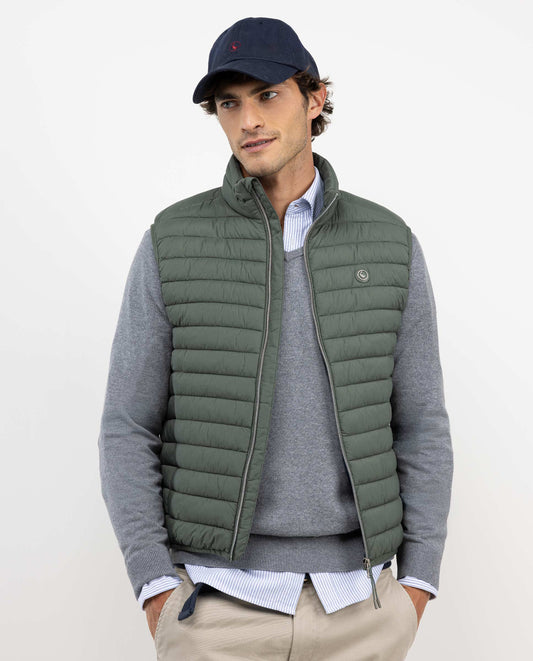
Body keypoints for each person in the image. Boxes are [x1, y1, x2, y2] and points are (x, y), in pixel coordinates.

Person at [98, 16, 453, 661]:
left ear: (315, 99)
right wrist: (155, 588)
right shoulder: (172, 242)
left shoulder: (390, 244)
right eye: (228, 103)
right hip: (214, 605)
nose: (248, 120)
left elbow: (422, 423)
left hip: (363, 604)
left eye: (268, 95)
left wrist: (418, 583)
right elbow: (128, 425)